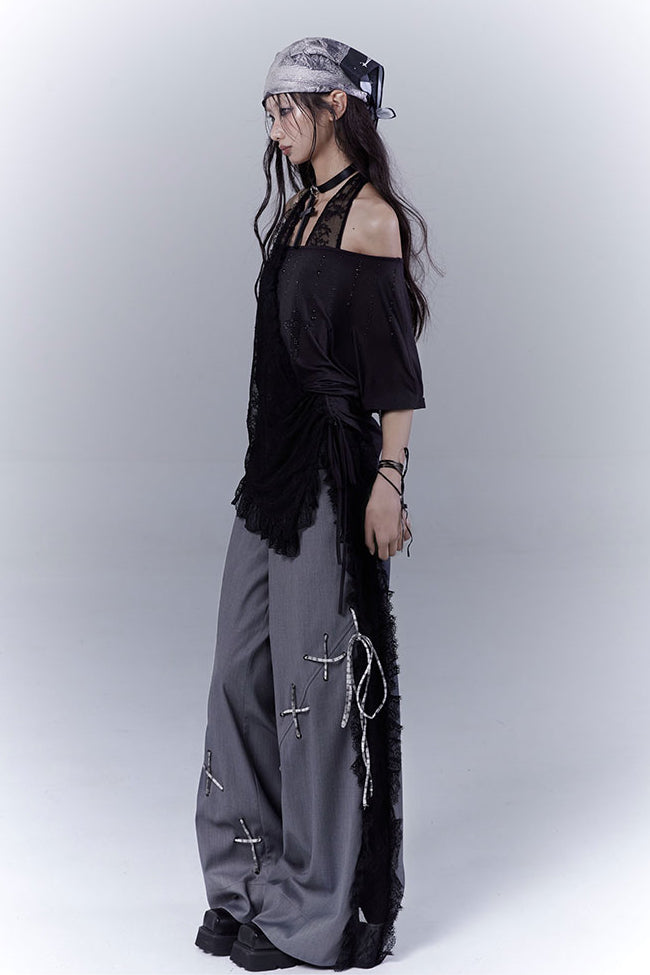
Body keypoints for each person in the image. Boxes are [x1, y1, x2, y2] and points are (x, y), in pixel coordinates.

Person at [194, 36, 436, 972]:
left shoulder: (370, 219)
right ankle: (243, 877)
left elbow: (396, 375)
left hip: (334, 474)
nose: (274, 125)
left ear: (338, 104)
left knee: (314, 689)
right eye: (267, 111)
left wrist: (389, 480)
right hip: (273, 472)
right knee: (238, 673)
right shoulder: (299, 210)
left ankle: (315, 907)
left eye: (286, 106)